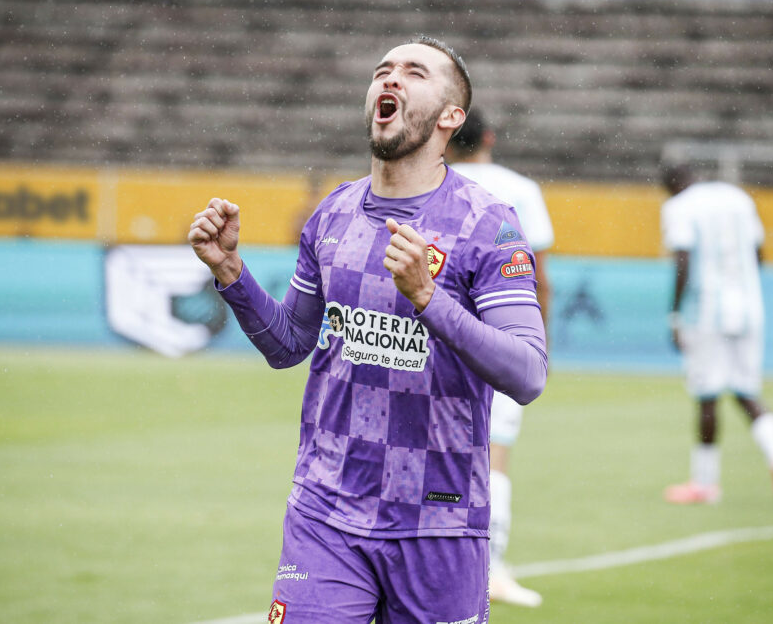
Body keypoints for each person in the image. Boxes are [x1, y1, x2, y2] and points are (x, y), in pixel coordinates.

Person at [188, 36, 548, 624]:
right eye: (383, 70)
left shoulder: (488, 225)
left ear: (451, 117)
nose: (392, 79)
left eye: (414, 72)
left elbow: (528, 374)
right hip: (325, 511)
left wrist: (430, 300)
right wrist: (230, 271)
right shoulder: (331, 215)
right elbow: (288, 346)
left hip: (441, 522)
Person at [445, 109, 553, 608]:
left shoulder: (435, 183)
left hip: (440, 336)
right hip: (499, 339)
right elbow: (538, 275)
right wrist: (537, 342)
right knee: (495, 452)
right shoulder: (520, 190)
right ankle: (492, 566)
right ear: (489, 137)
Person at [660, 164, 773, 505]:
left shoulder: (679, 206)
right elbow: (758, 253)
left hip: (707, 311)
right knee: (746, 391)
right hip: (750, 308)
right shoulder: (739, 198)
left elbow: (683, 259)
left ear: (671, 187)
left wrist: (675, 314)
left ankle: (705, 484)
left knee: (707, 395)